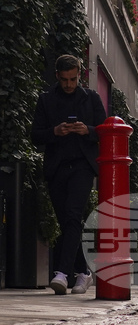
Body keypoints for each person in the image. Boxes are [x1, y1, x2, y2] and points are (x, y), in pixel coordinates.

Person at [31, 54, 106, 295]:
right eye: (64, 80)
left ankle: (62, 274)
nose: (69, 85)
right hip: (57, 167)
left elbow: (104, 131)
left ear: (80, 76)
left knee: (73, 214)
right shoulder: (46, 100)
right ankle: (84, 272)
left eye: (73, 79)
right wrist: (55, 131)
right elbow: (35, 135)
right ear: (57, 76)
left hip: (83, 166)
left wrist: (88, 130)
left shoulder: (92, 98)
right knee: (67, 221)